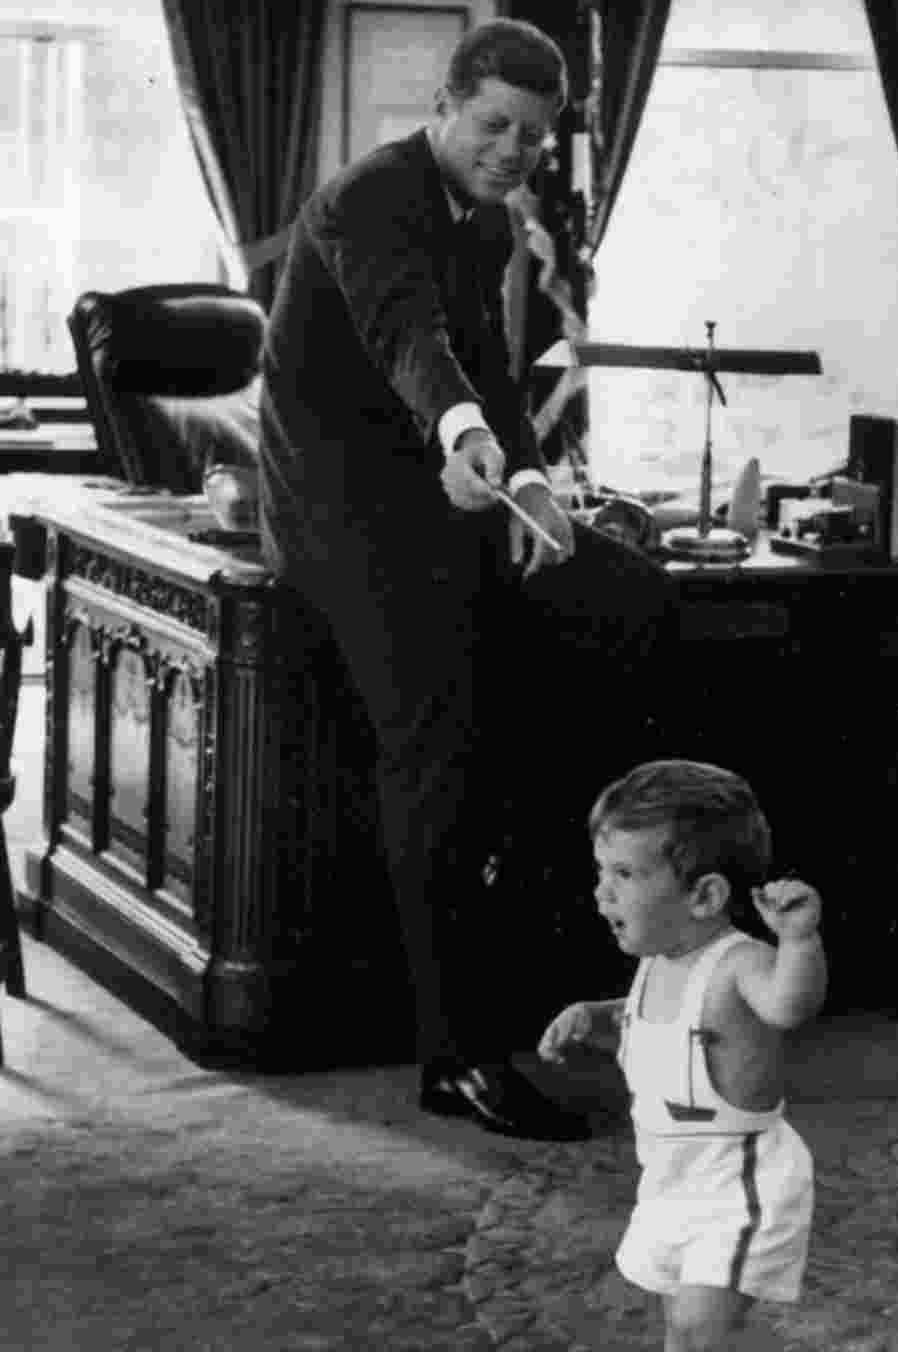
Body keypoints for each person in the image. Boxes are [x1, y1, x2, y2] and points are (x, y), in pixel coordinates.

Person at [259, 20, 681, 1139]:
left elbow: (490, 370)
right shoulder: (367, 197)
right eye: (494, 125)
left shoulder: (491, 220)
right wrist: (459, 432)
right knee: (436, 741)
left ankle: (558, 920)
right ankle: (454, 1054)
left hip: (457, 485)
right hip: (341, 509)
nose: (512, 151)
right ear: (443, 107)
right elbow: (414, 342)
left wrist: (535, 485)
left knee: (631, 598)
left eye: (534, 139)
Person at [537, 760, 845, 1352]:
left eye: (624, 874)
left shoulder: (741, 963)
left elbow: (788, 1004)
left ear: (705, 897)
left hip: (739, 1177)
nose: (603, 891)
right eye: (601, 870)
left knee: (707, 1322)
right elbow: (657, 1017)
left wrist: (800, 940)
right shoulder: (656, 962)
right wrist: (600, 1013)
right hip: (672, 1175)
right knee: (680, 1314)